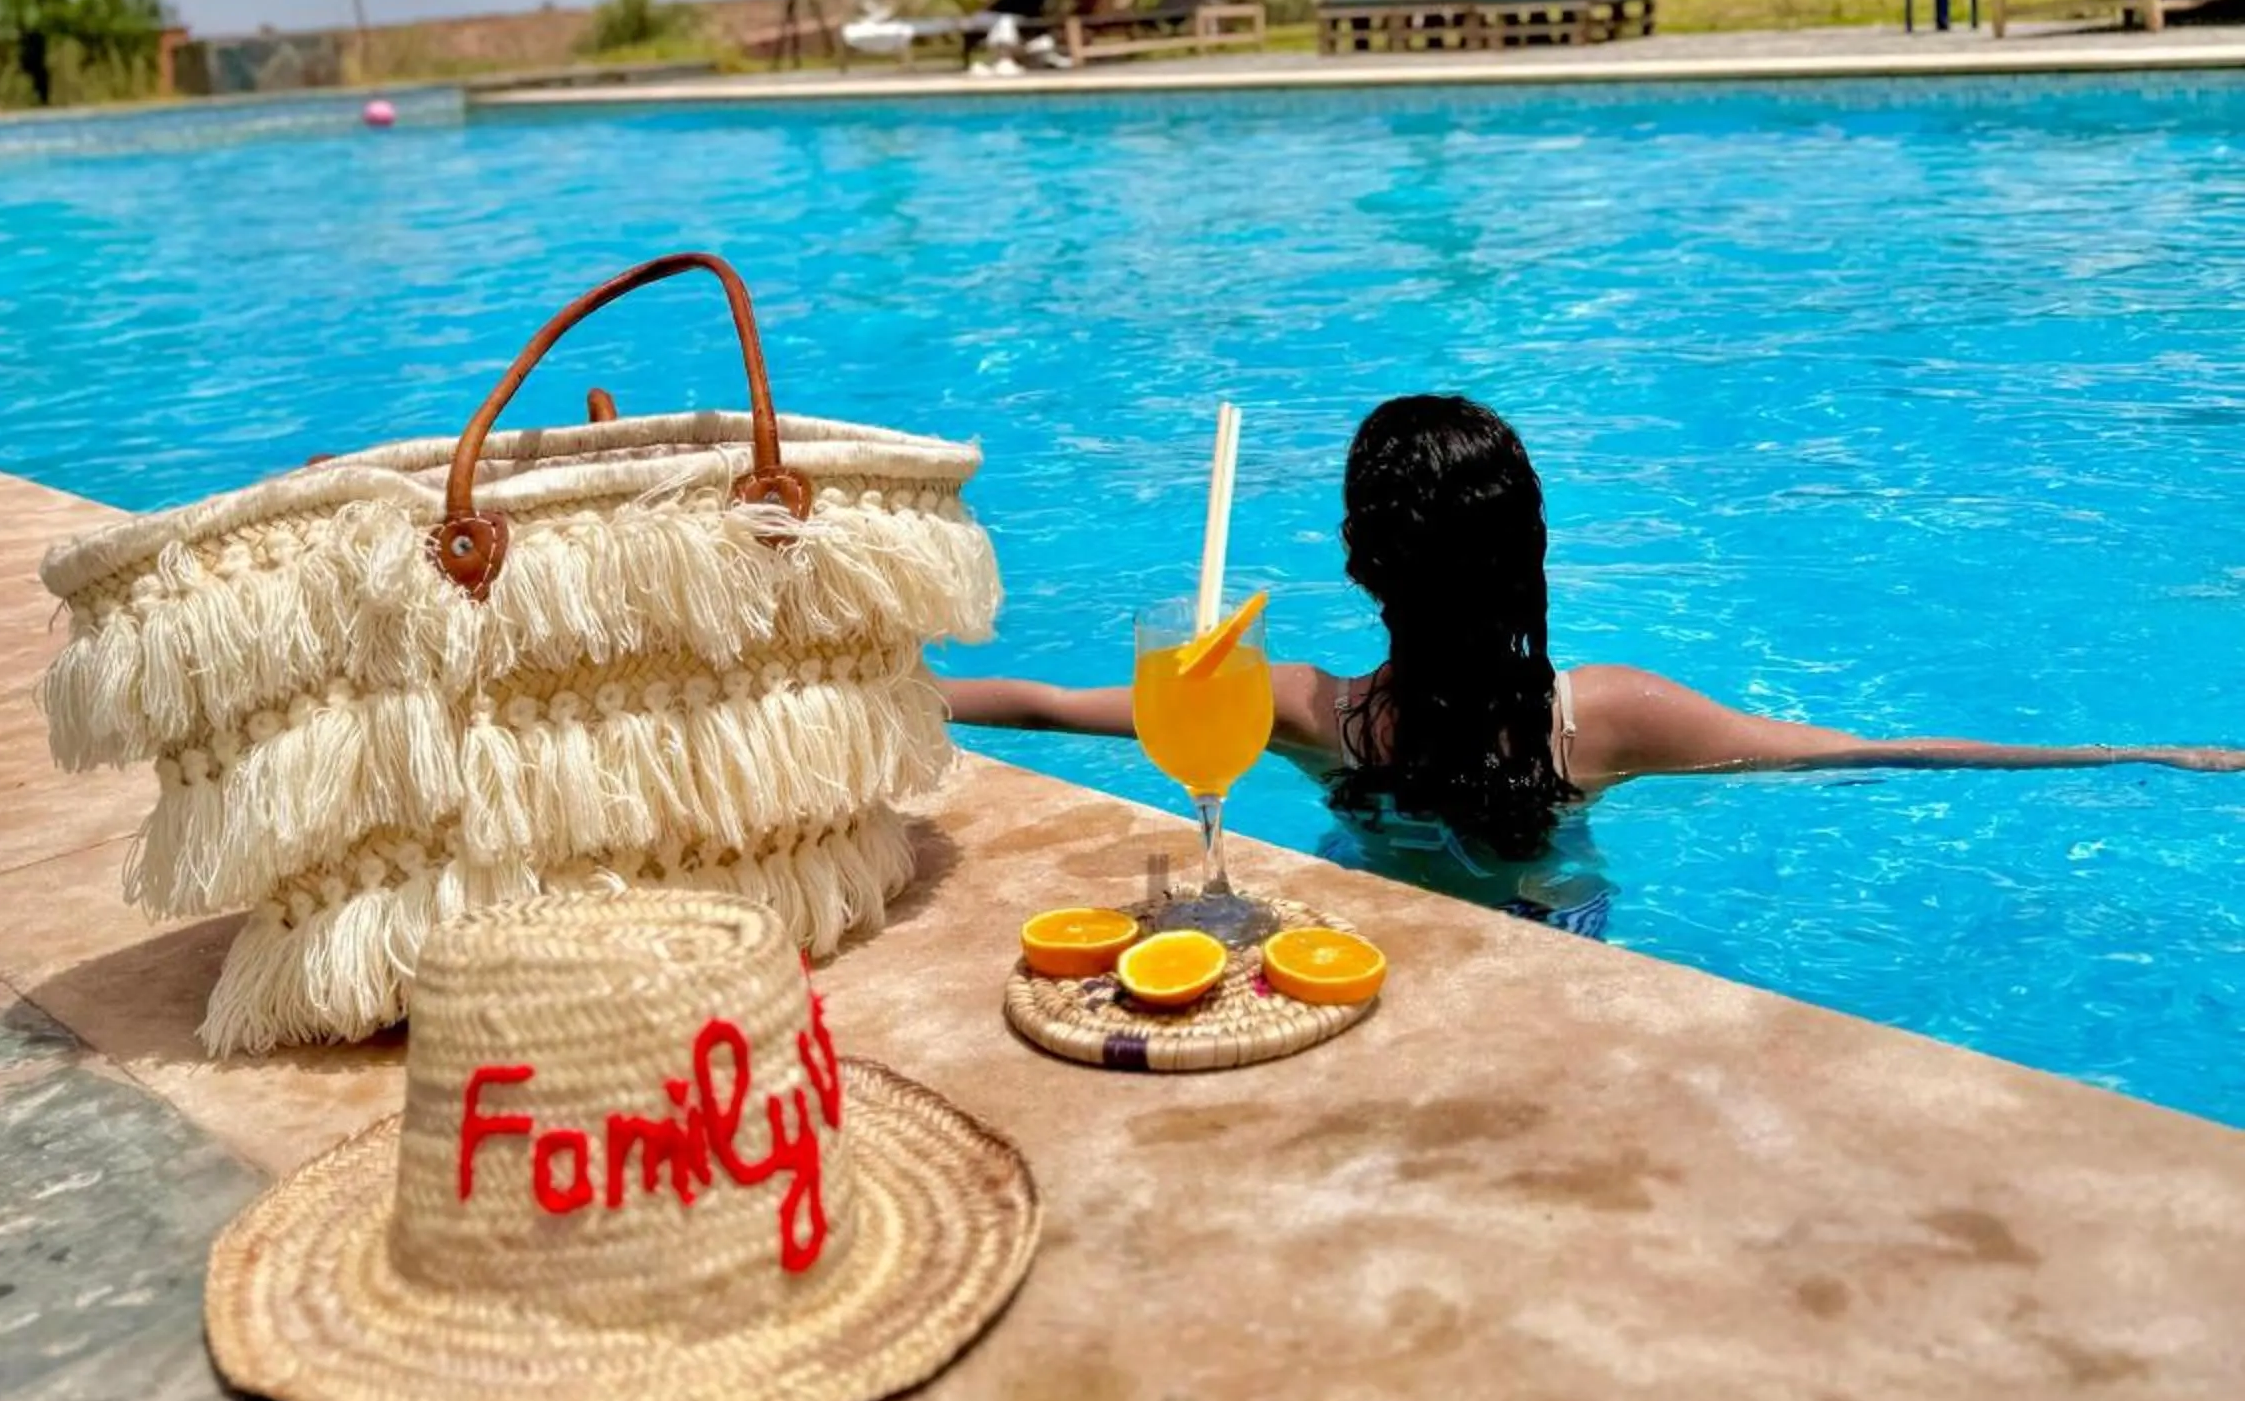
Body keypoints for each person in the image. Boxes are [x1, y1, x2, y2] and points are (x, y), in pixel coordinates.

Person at [942, 393, 2244, 877]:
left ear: (1354, 560)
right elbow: (1863, 752)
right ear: (1532, 557)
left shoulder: (1298, 708)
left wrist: (892, 691)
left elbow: (1045, 704)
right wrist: (2132, 754)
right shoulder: (1602, 716)